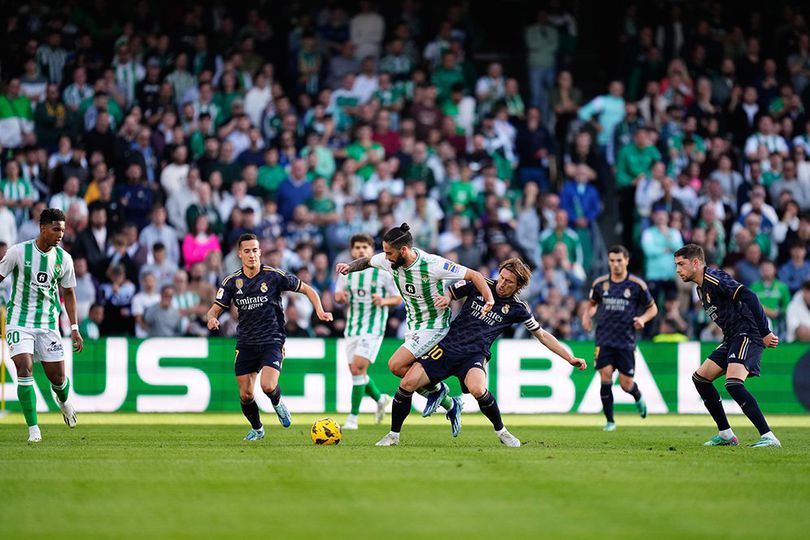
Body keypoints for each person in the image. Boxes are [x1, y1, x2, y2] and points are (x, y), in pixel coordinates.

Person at [376, 258, 586, 446]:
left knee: (477, 389)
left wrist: (569, 357)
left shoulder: (517, 308)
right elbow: (452, 290)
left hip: (474, 355)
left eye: (509, 282)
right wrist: (448, 298)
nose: (502, 284)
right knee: (406, 384)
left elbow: (542, 335)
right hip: (446, 348)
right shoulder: (481, 284)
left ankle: (502, 432)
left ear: (519, 286)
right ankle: (393, 435)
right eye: (501, 277)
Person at [336, 223, 495, 437]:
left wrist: (489, 299)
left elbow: (475, 275)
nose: (386, 257)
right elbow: (366, 261)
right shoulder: (388, 260)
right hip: (414, 327)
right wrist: (349, 266)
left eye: (390, 253)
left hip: (436, 325)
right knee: (406, 374)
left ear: (403, 250)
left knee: (395, 364)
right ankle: (449, 402)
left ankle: (437, 395)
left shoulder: (433, 263)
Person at [206, 233, 333, 441]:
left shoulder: (273, 276)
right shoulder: (231, 282)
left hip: (272, 339)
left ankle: (277, 403)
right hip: (246, 342)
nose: (251, 255)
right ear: (240, 254)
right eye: (247, 251)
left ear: (260, 252)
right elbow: (213, 310)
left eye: (255, 250)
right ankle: (257, 429)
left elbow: (308, 289)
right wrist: (212, 319)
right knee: (245, 395)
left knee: (268, 386)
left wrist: (319, 310)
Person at [674, 244, 781, 448]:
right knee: (700, 379)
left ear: (696, 263)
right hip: (732, 337)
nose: (678, 270)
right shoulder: (700, 287)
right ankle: (726, 435)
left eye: (682, 264)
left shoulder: (714, 279)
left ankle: (768, 436)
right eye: (677, 265)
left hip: (748, 332)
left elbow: (750, 296)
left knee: (733, 384)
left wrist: (764, 331)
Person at [0, 208, 83, 442]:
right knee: (24, 369)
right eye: (56, 229)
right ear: (42, 228)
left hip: (48, 324)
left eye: (63, 230)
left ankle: (64, 401)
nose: (60, 234)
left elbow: (69, 293)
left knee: (58, 379)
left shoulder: (64, 259)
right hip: (19, 321)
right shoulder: (18, 252)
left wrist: (74, 328)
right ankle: (33, 430)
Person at [581, 245, 658, 432]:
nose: (615, 265)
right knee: (605, 376)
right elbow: (592, 304)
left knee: (625, 384)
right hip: (604, 338)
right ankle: (610, 421)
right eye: (612, 261)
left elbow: (653, 309)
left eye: (619, 261)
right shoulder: (600, 284)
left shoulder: (637, 285)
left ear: (627, 261)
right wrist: (587, 315)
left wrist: (642, 319)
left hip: (625, 340)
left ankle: (637, 395)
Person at [334, 234, 402, 430]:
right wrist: (341, 297)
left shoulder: (383, 272)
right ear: (352, 251)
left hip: (373, 328)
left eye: (365, 247)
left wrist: (384, 301)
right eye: (357, 247)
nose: (361, 251)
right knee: (357, 372)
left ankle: (352, 418)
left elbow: (397, 299)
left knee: (357, 369)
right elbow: (338, 295)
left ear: (372, 250)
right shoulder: (347, 272)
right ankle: (380, 399)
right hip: (353, 327)